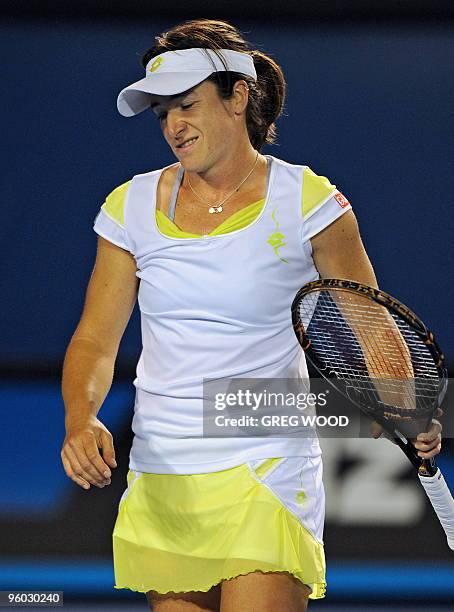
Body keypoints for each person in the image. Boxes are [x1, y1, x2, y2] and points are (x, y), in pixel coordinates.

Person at [60, 19, 443, 612]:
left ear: (238, 97)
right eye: (163, 114)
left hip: (268, 459)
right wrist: (81, 417)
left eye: (187, 106)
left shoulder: (307, 200)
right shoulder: (129, 206)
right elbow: (95, 340)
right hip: (165, 468)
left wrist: (404, 403)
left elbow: (369, 321)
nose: (174, 127)